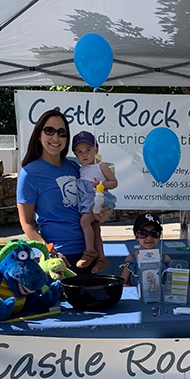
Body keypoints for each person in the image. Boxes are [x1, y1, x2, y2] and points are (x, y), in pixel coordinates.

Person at [16, 109, 112, 276]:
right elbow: (27, 224)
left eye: (62, 133)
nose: (56, 137)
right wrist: (50, 252)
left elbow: (88, 205)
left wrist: (99, 214)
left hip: (88, 255)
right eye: (49, 131)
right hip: (59, 259)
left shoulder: (77, 167)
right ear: (39, 135)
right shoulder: (29, 174)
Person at [70, 131, 118, 272]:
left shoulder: (101, 166)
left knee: (84, 222)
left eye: (88, 150)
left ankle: (90, 251)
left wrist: (101, 185)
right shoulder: (81, 167)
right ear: (75, 154)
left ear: (96, 150)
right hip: (86, 200)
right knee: (95, 228)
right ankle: (102, 258)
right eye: (79, 152)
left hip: (98, 200)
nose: (84, 154)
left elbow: (114, 182)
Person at [119, 213, 171, 286]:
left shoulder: (165, 259)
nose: (149, 238)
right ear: (136, 237)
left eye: (154, 233)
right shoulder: (131, 259)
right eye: (143, 233)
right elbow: (122, 284)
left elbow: (173, 284)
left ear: (159, 236)